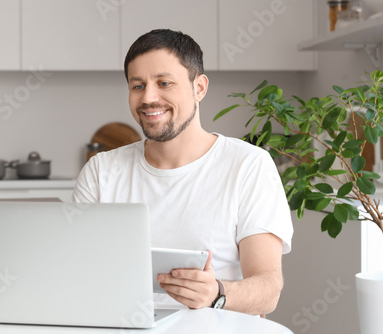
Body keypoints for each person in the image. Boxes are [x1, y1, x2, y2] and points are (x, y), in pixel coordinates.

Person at [72, 29, 293, 316]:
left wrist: (217, 292)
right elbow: (78, 270)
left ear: (199, 88)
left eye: (164, 83)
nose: (149, 97)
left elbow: (268, 291)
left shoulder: (248, 165)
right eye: (137, 86)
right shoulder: (101, 171)